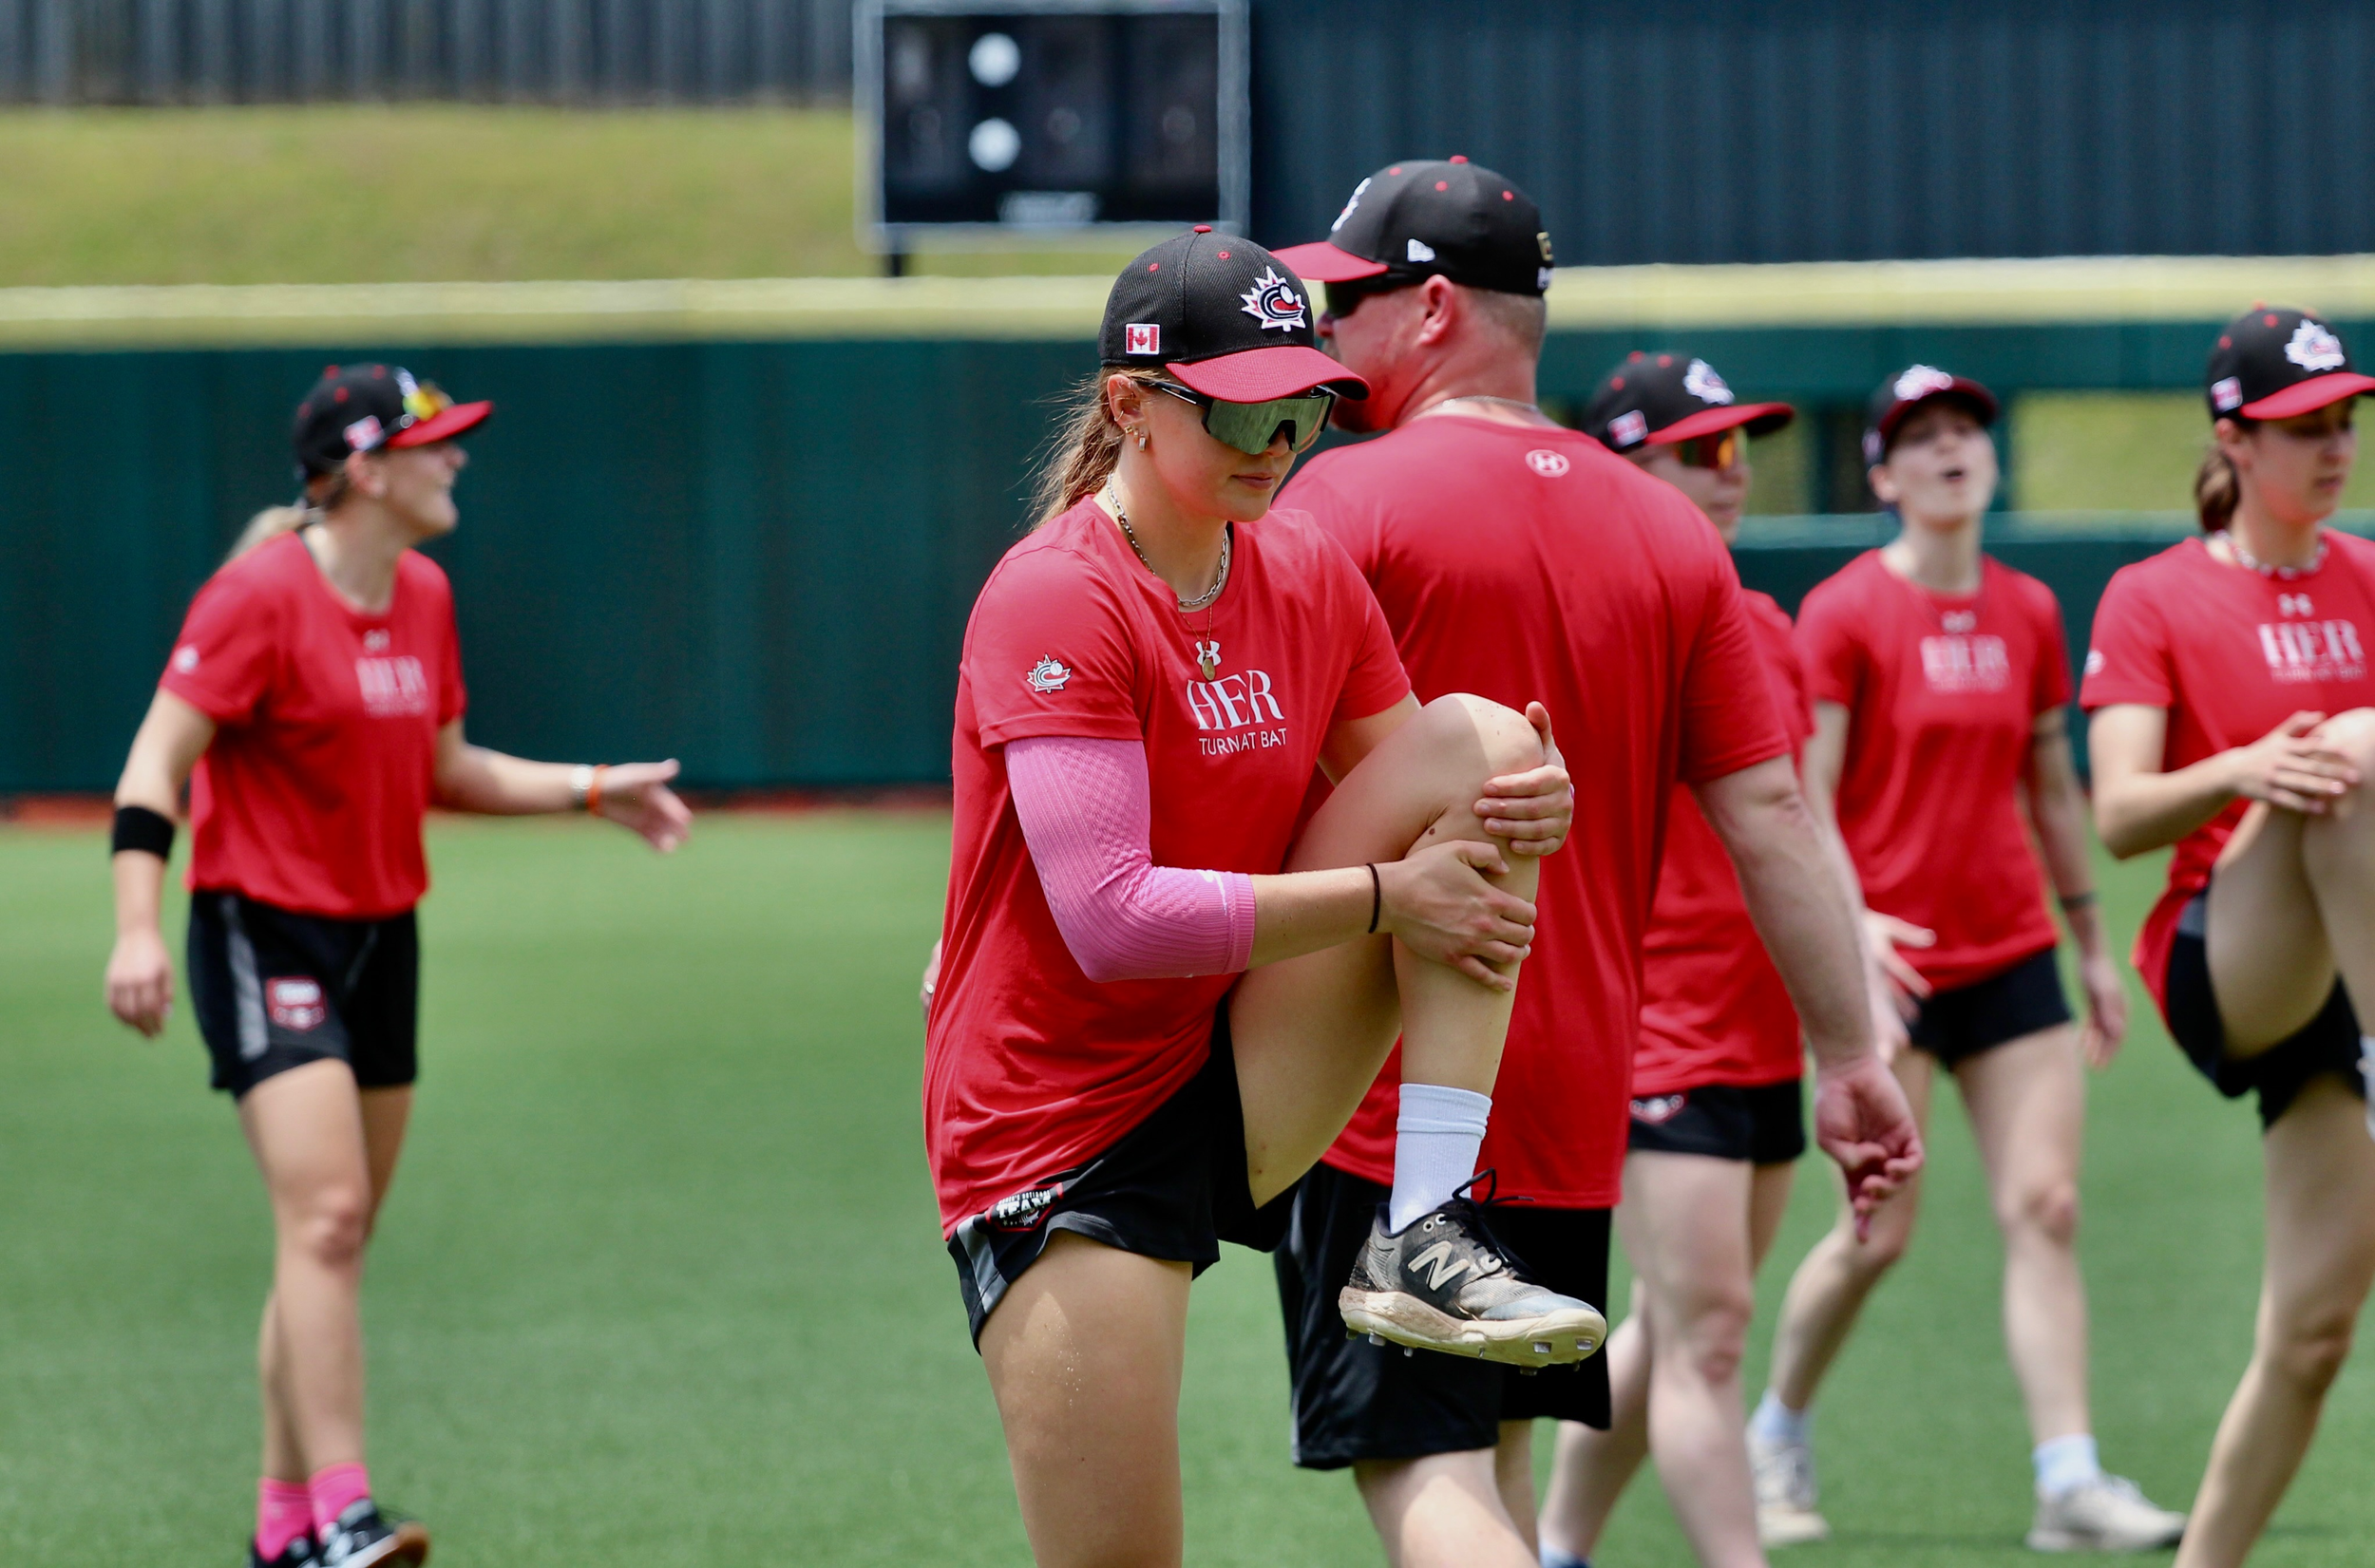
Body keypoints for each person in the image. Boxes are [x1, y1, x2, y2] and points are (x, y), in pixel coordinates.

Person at [1268, 162, 1922, 1568]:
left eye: (1354, 299)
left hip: (1388, 1090)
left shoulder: (1343, 498)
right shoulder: (1668, 527)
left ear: (1431, 306)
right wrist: (1851, 1056)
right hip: (1575, 1089)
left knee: (1424, 1482)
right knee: (1493, 1468)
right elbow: (1773, 817)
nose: (1329, 332)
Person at [924, 227, 1605, 1568]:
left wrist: (1530, 803)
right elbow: (1113, 921)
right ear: (1129, 402)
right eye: (1240, 404)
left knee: (1493, 744)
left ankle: (1421, 1223)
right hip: (1061, 1134)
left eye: (1302, 400)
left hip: (1229, 1051)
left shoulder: (1300, 567)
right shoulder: (1058, 594)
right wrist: (1384, 897)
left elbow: (1424, 790)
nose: (1281, 435)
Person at [103, 365, 692, 1568]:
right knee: (321, 1219)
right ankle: (343, 1511)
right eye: (434, 444)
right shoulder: (256, 596)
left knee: (335, 1233)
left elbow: (447, 771)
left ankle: (282, 1527)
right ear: (364, 468)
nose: (456, 459)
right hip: (263, 929)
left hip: (382, 934)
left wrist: (592, 791)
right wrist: (136, 927)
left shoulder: (421, 593)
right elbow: (151, 769)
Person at [1742, 366, 2185, 1553]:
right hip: (1887, 971)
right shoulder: (1842, 611)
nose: (1952, 452)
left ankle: (2068, 1478)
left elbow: (2053, 787)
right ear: (1881, 475)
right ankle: (1774, 1432)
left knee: (2045, 1205)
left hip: (2014, 953)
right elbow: (1808, 800)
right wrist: (1854, 933)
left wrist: (2093, 943)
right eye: (1921, 438)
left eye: (1967, 434)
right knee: (1877, 1231)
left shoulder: (2029, 608)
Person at [2084, 307, 2375, 1568]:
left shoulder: (2369, 571)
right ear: (2232, 440)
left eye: (2344, 421)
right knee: (2350, 749)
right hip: (2230, 952)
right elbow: (2119, 815)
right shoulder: (2154, 593)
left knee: (2310, 1332)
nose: (2334, 446)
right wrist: (2253, 763)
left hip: (2344, 983)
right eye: (2301, 426)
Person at [1529, 352, 1815, 1568]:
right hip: (1657, 1023)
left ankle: (1554, 1543)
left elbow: (1798, 819)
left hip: (1762, 1024)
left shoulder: (1763, 626)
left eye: (1737, 447)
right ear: (1621, 468)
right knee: (1708, 1338)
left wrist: (1853, 976)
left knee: (1676, 1322)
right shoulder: (1580, 617)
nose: (1728, 472)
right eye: (1696, 450)